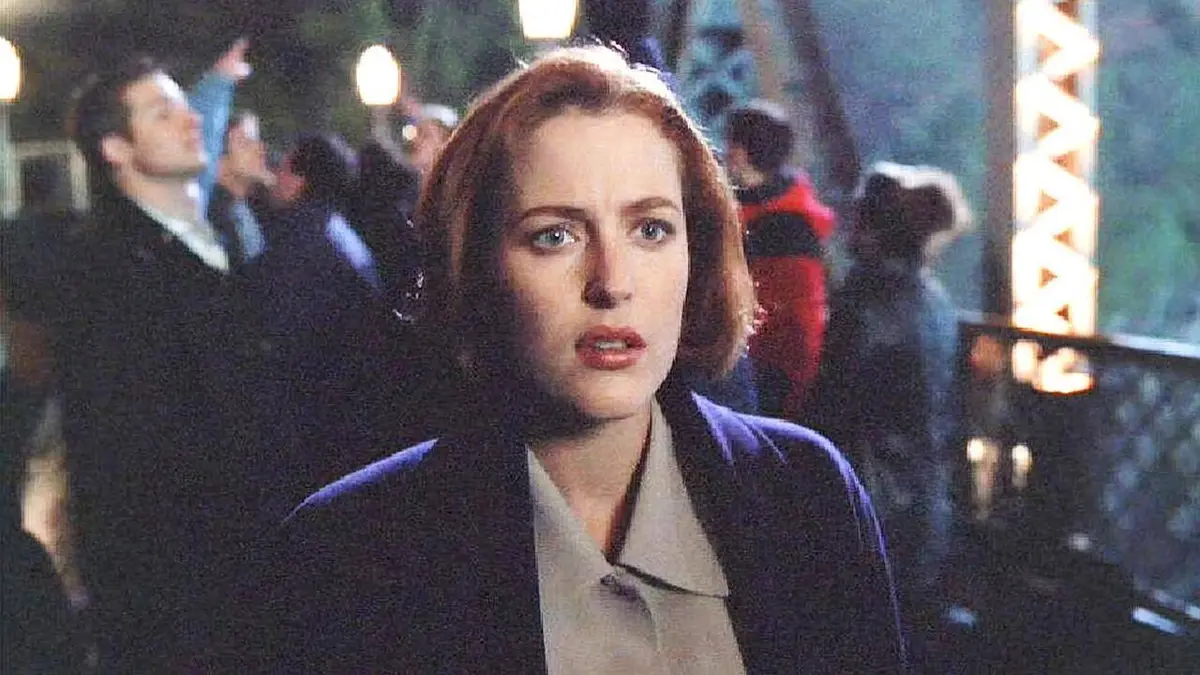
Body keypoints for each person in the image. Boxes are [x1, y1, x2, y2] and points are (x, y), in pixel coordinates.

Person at [262, 46, 904, 674]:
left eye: (650, 229)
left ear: (698, 251)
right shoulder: (346, 553)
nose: (612, 283)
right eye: (556, 236)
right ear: (475, 265)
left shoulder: (808, 496)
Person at [55, 52, 280, 672]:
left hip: (256, 576)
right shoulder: (105, 275)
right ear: (115, 149)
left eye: (186, 105)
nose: (191, 120)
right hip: (194, 608)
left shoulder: (219, 240)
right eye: (162, 112)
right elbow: (126, 471)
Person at [809, 161, 971, 659]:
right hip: (926, 501)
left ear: (869, 227)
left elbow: (833, 405)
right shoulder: (935, 301)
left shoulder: (863, 302)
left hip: (867, 496)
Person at [725, 100, 836, 420]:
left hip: (768, 377)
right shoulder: (797, 212)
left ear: (739, 153)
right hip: (782, 370)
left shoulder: (776, 228)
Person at [208, 109, 271, 267]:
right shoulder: (209, 215)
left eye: (258, 141)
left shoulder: (245, 213)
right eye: (246, 142)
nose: (261, 149)